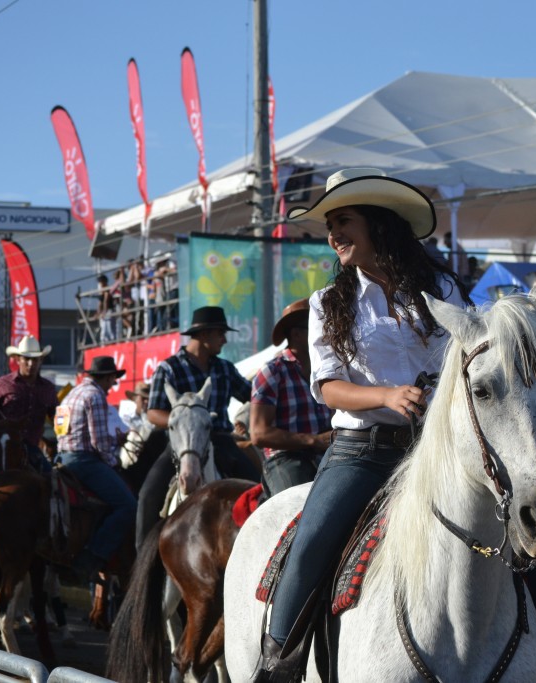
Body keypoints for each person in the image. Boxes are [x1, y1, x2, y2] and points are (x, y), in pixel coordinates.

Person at [256, 167, 470, 680]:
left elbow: (466, 356)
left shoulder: (440, 288)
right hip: (362, 451)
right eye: (330, 224)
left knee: (514, 527)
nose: (333, 235)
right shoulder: (328, 303)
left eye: (344, 220)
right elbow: (328, 387)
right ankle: (277, 665)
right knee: (311, 541)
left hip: (436, 450)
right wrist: (388, 395)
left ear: (378, 223)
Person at [134, 306, 261, 549]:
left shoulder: (224, 368)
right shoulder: (169, 368)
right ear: (205, 335)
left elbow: (252, 396)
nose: (224, 340)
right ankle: (143, 556)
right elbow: (153, 413)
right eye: (221, 334)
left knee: (257, 486)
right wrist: (184, 420)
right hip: (180, 443)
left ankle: (258, 547)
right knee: (148, 495)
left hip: (221, 440)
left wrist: (250, 417)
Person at [55, 356, 137, 582]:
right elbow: (99, 443)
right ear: (108, 377)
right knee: (128, 505)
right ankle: (92, 556)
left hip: (62, 457)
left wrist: (112, 440)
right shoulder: (96, 396)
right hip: (83, 461)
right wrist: (113, 461)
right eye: (113, 379)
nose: (114, 385)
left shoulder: (72, 393)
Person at [250, 299, 334, 498]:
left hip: (327, 453)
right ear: (296, 334)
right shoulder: (272, 371)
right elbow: (258, 434)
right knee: (297, 513)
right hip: (285, 458)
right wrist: (312, 440)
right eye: (316, 327)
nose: (324, 333)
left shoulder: (327, 369)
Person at [0, 335, 58, 473]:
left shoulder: (48, 388)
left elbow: (57, 416)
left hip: (31, 447)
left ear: (40, 360)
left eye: (35, 359)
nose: (31, 364)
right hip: (3, 447)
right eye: (27, 359)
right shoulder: (4, 383)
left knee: (51, 481)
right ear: (18, 359)